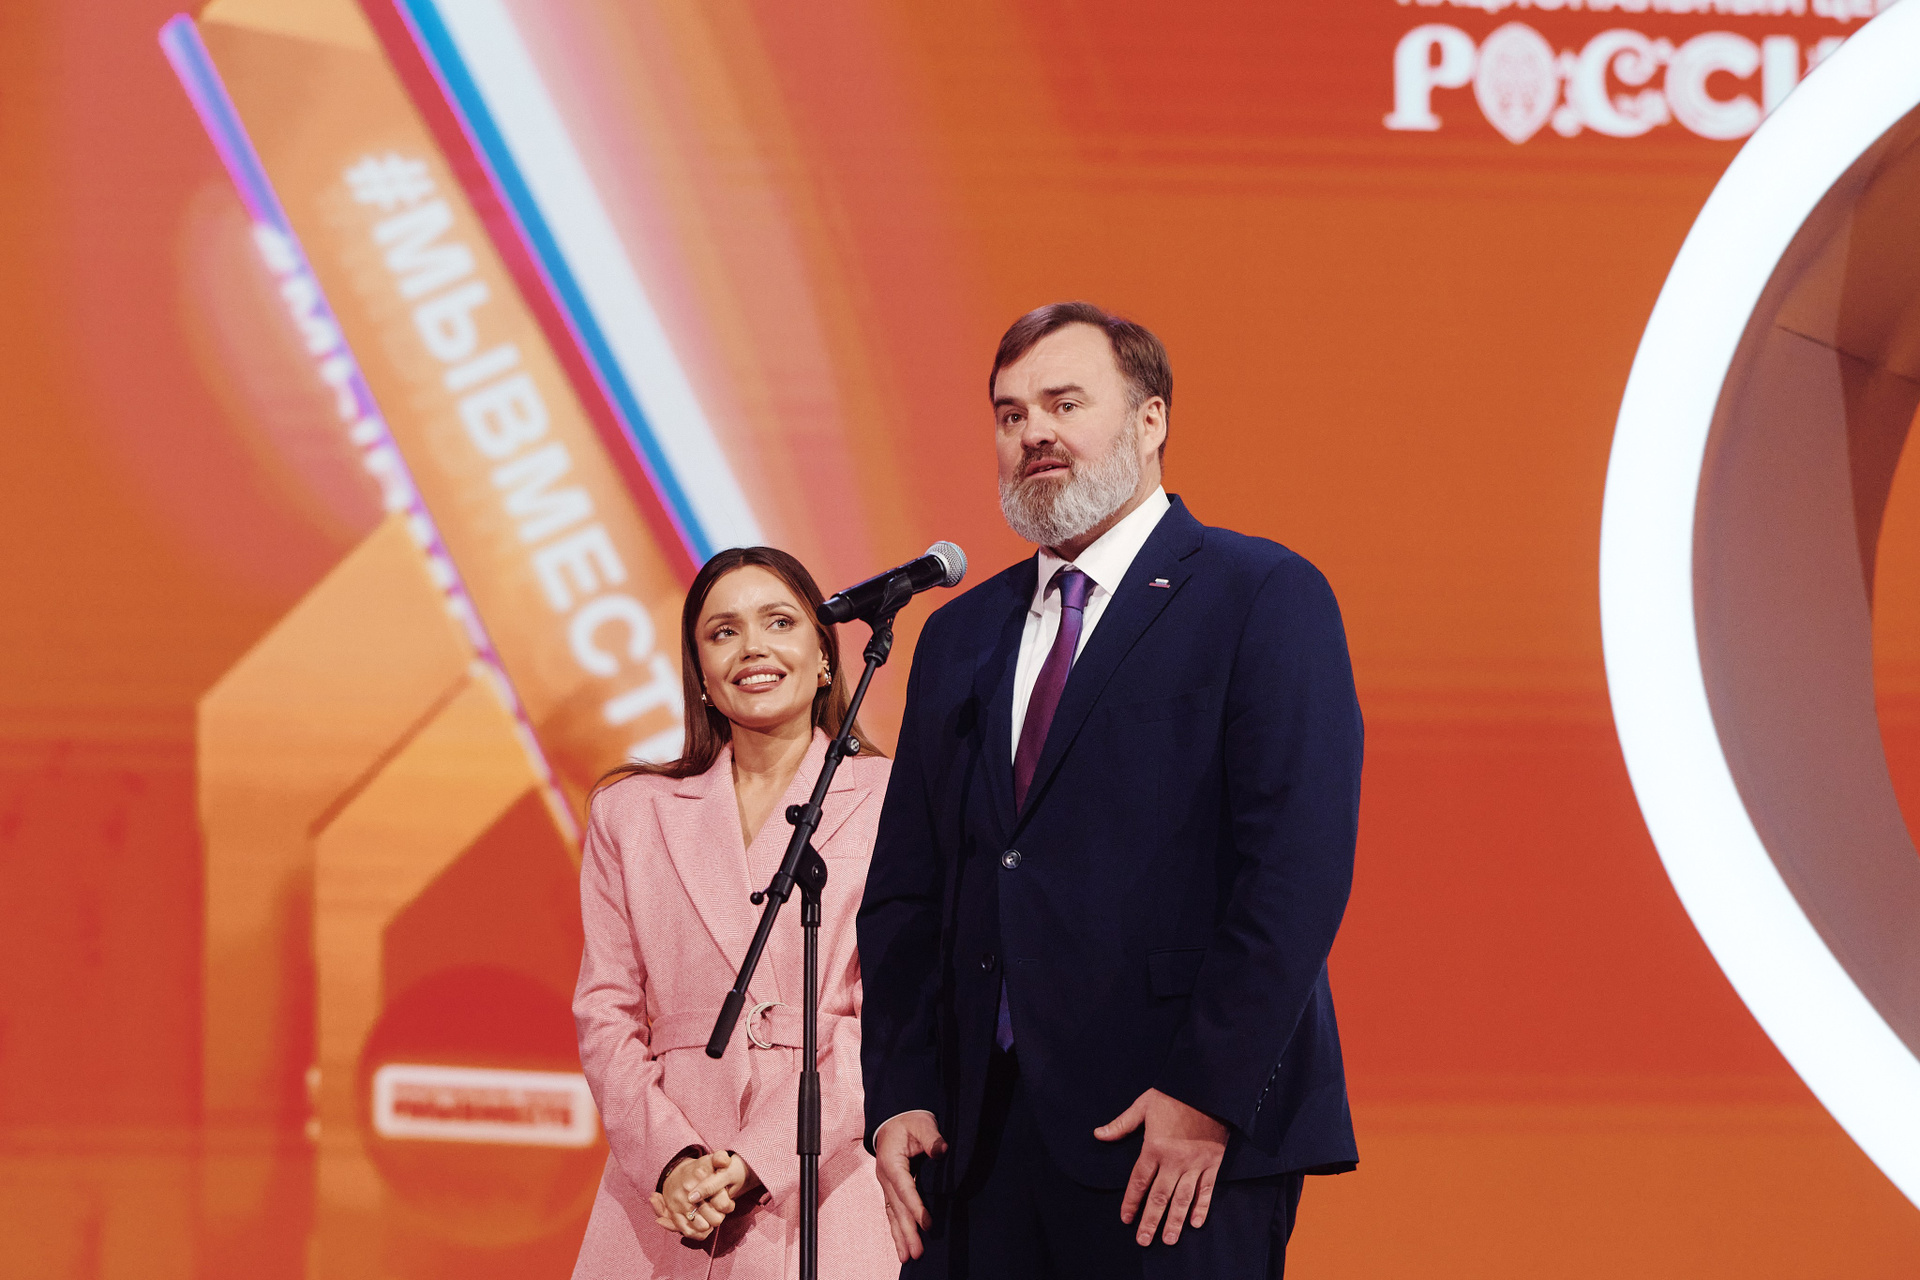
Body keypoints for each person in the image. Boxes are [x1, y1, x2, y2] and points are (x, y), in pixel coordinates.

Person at [857, 303, 1364, 1278]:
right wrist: (900, 1088)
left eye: (1064, 403)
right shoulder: (960, 634)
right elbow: (908, 890)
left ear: (1151, 418)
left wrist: (1207, 1091)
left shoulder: (1260, 594)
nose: (1033, 432)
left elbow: (1294, 869)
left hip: (1171, 1130)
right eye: (1010, 414)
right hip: (974, 1144)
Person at [572, 547, 900, 1280]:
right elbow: (605, 1012)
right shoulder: (630, 812)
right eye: (723, 632)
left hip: (828, 1172)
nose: (752, 647)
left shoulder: (895, 799)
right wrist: (673, 1161)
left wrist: (759, 1158)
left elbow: (894, 1019)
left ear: (824, 655)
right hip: (666, 1195)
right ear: (700, 672)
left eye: (779, 622)